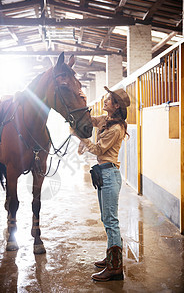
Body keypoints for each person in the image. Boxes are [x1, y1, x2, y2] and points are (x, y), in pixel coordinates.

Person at [76, 86, 130, 282]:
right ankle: (111, 257)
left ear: (116, 106)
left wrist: (80, 137)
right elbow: (90, 120)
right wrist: (83, 100)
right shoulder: (107, 121)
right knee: (107, 219)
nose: (105, 101)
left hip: (109, 175)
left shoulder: (116, 128)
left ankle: (115, 268)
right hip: (104, 174)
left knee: (111, 221)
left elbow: (98, 149)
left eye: (108, 100)